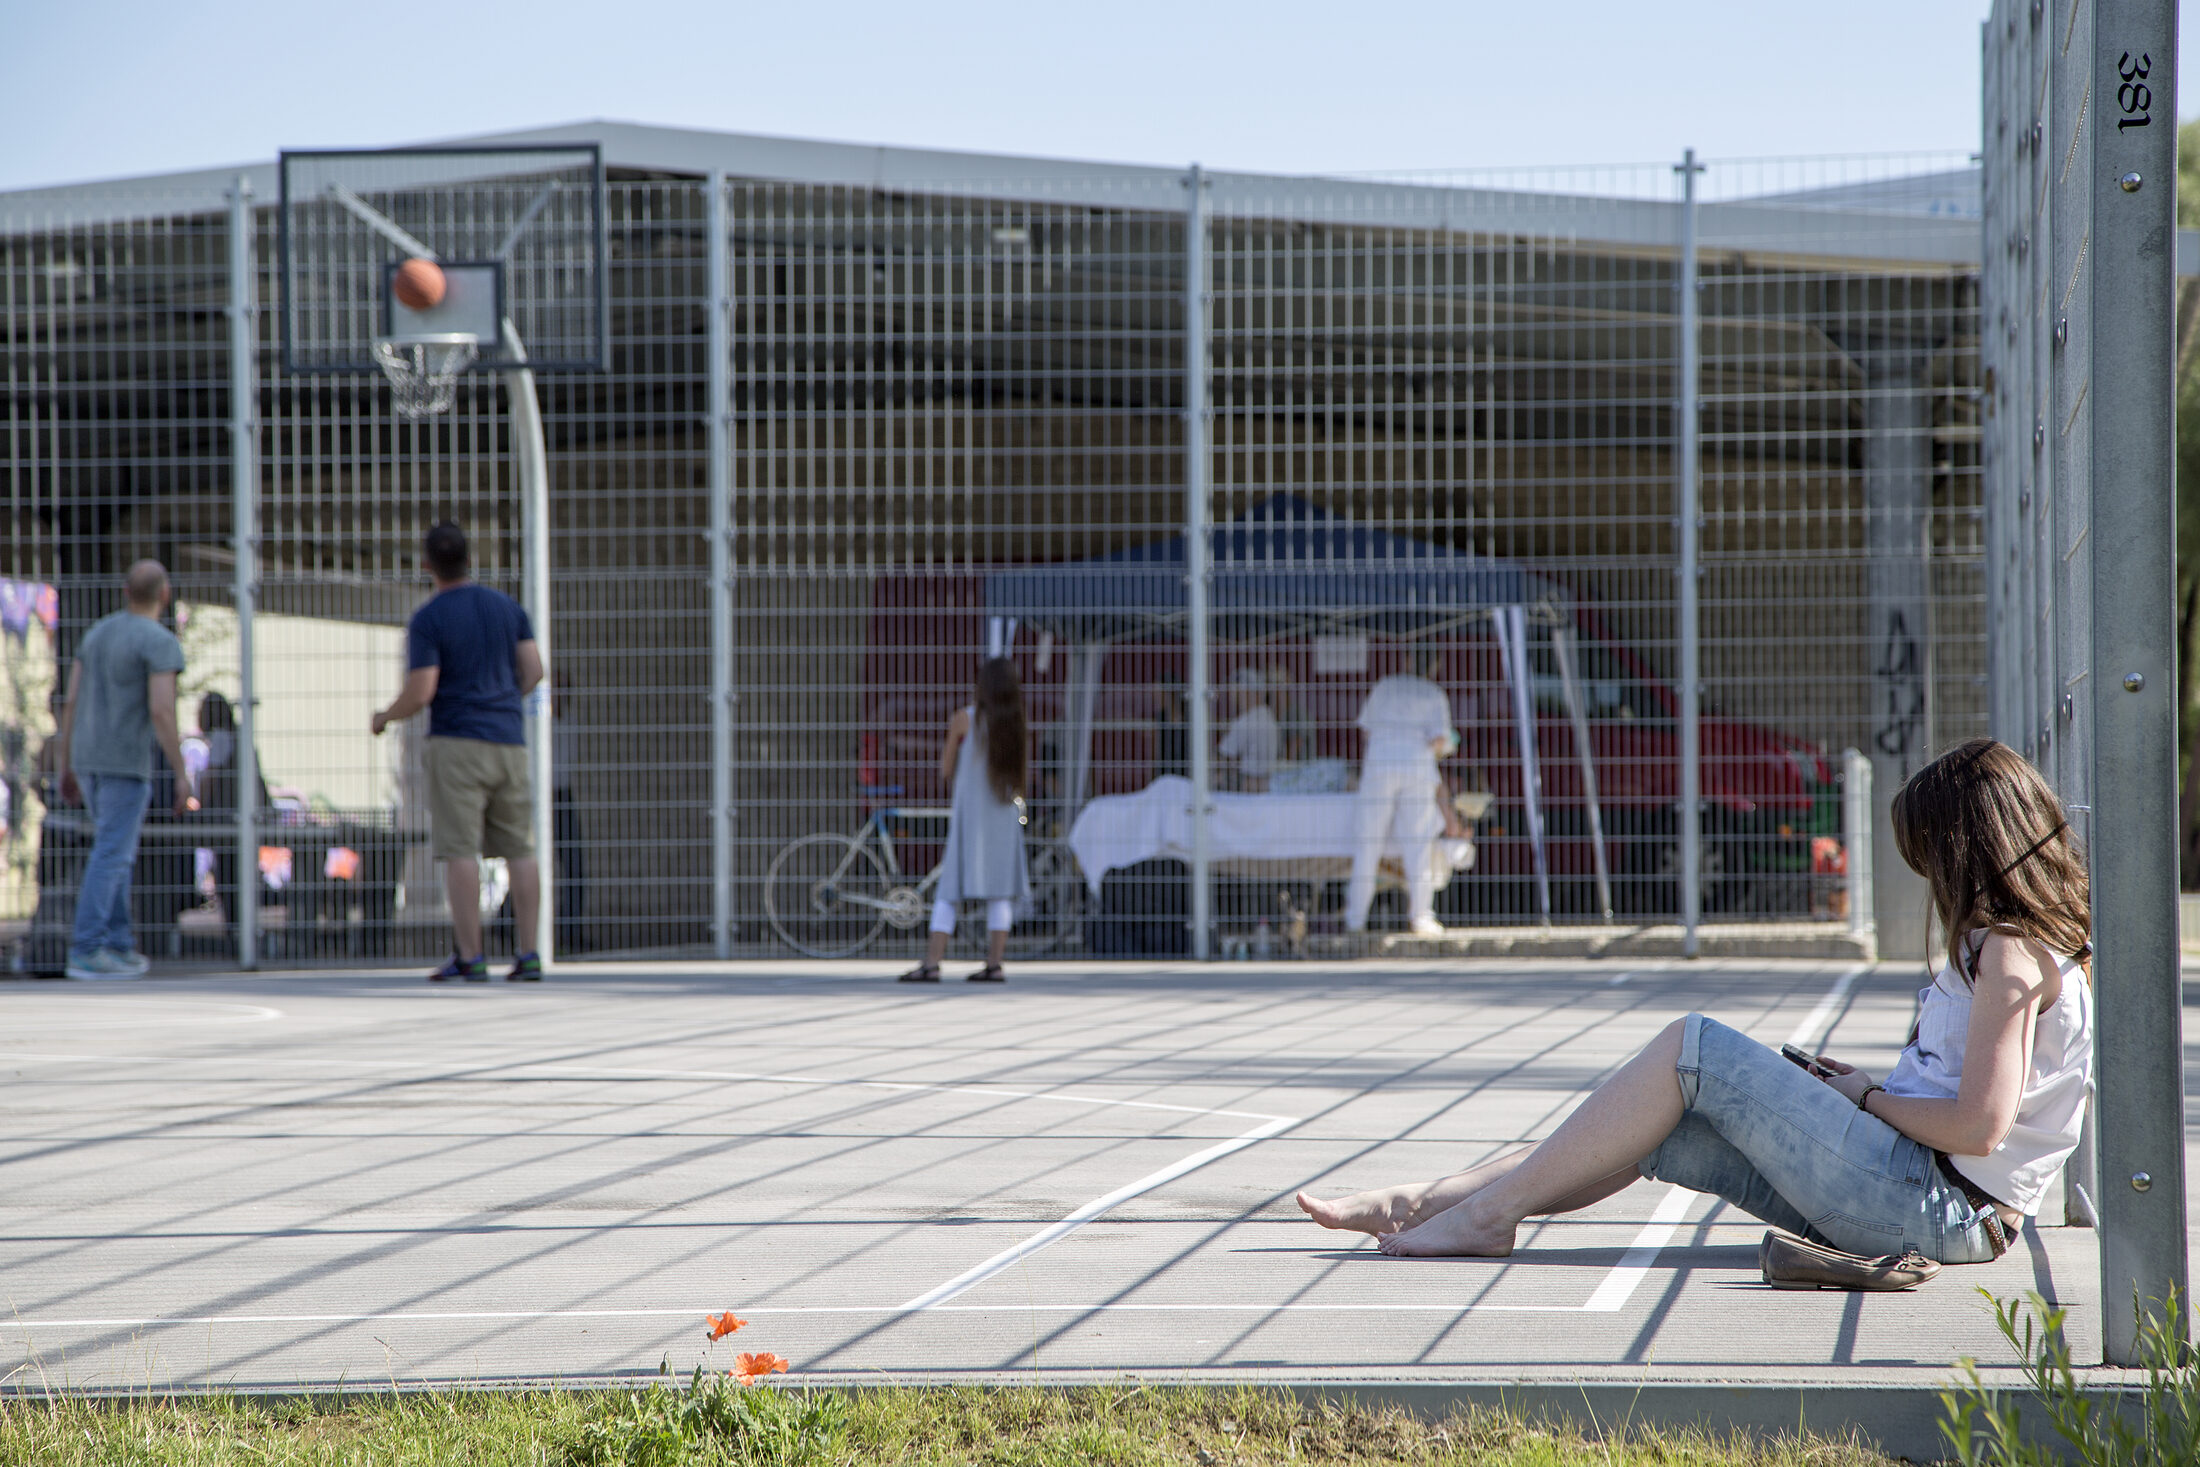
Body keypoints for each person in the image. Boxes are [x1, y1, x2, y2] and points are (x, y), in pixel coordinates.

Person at [1298, 738, 2090, 1272]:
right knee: (1657, 1118)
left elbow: (1979, 1128)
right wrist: (1857, 1097)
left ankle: (1481, 1216)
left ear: (1966, 848)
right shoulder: (2021, 944)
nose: (1930, 882)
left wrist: (1866, 1097)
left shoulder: (2012, 951)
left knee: (1695, 1044)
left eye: (1930, 860)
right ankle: (1428, 1202)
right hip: (1921, 1195)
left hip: (1939, 1209)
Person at [371, 522, 546, 982]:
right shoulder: (508, 609)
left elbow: (422, 689)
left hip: (456, 742)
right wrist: (505, 698)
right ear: (471, 558)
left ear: (427, 564)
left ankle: (471, 956)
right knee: (520, 848)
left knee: (460, 848)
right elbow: (534, 669)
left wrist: (385, 716)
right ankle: (529, 954)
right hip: (508, 740)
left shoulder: (430, 617)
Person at [54, 560, 195, 980]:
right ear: (164, 594)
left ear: (124, 591)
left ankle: (118, 945)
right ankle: (87, 947)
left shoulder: (97, 634)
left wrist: (66, 762)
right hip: (124, 762)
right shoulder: (160, 642)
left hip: (88, 758)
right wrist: (181, 771)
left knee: (113, 851)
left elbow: (72, 701)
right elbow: (162, 710)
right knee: (112, 854)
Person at [899, 657, 1029, 984]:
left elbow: (945, 769)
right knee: (1000, 893)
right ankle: (995, 963)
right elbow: (1021, 776)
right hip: (1004, 813)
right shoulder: (1016, 724)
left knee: (950, 888)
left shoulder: (964, 719)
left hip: (971, 815)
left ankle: (932, 962)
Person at [1343, 648, 1456, 937]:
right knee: (1417, 844)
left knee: (1368, 843)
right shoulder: (1434, 693)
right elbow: (1441, 739)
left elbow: (1366, 730)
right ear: (1435, 665)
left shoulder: (1385, 686)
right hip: (1417, 767)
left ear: (1406, 661)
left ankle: (1355, 919)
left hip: (1380, 766)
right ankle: (1421, 917)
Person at [1217, 668, 1281, 793]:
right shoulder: (1268, 715)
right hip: (1268, 785)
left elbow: (1224, 756)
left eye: (1237, 691)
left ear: (1251, 692)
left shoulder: (1245, 721)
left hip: (1248, 785)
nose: (1233, 695)